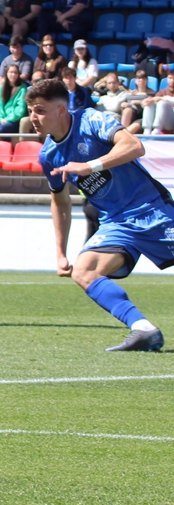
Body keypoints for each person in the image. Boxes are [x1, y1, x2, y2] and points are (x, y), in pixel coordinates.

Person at [24, 79, 165, 351]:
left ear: (61, 109)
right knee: (84, 270)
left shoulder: (91, 120)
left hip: (151, 209)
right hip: (116, 223)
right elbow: (60, 202)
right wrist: (60, 252)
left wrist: (91, 165)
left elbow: (134, 146)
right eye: (31, 110)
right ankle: (143, 329)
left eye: (40, 110)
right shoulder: (48, 155)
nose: (33, 118)